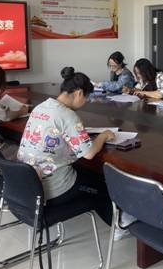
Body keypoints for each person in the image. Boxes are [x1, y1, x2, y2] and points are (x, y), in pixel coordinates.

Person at [17, 67, 115, 226]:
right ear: (79, 93)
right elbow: (89, 153)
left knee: (86, 173)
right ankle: (117, 226)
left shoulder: (41, 107)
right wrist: (103, 135)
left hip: (27, 184)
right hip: (51, 187)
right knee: (102, 186)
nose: (85, 103)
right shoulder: (67, 115)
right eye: (86, 98)